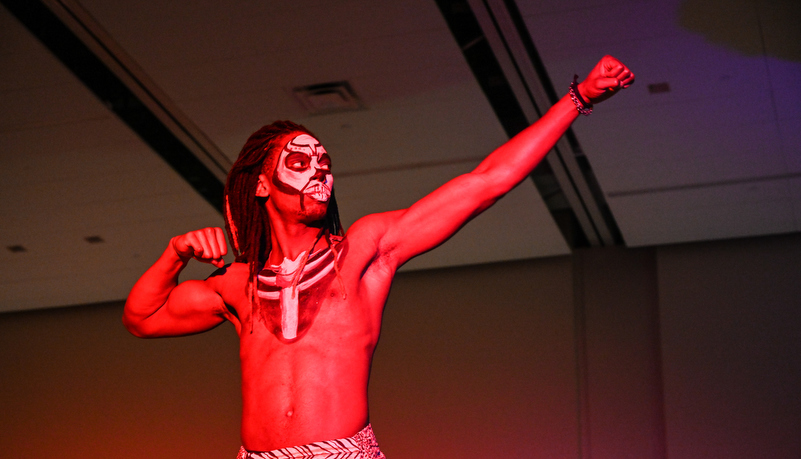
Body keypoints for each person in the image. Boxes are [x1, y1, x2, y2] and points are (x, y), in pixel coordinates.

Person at [123, 55, 634, 458]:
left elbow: (485, 184)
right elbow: (141, 318)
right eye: (299, 162)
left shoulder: (364, 251)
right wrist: (174, 254)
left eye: (325, 163)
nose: (320, 172)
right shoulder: (240, 284)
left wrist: (577, 97)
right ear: (261, 184)